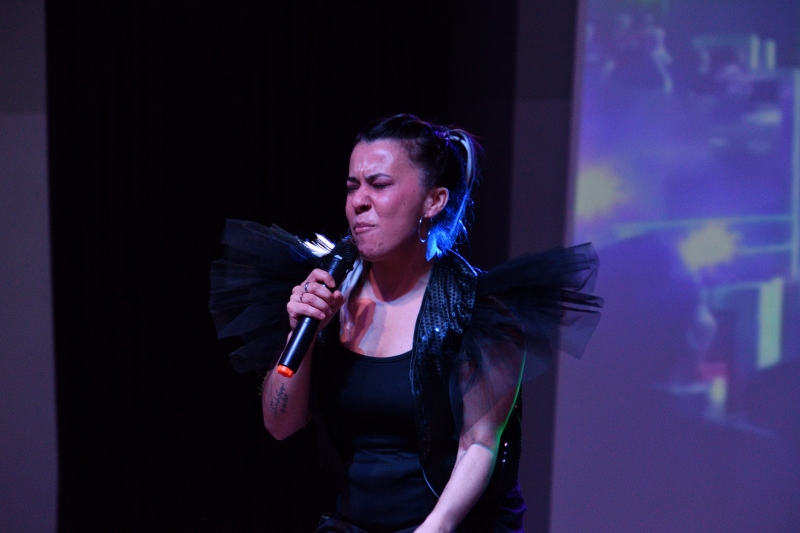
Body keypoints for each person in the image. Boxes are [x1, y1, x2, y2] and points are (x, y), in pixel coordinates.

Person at [209, 114, 602, 532]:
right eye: (352, 186)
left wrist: (435, 527)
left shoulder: (481, 309)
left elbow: (480, 443)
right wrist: (300, 334)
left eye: (378, 185)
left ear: (433, 201)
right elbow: (280, 424)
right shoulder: (327, 290)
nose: (359, 202)